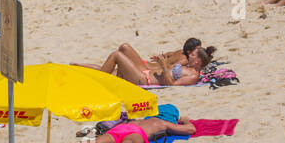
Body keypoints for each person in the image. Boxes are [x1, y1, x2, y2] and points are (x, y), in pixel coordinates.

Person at [76, 39, 217, 86]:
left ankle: (98, 81)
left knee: (116, 55)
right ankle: (88, 72)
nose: (190, 55)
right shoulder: (187, 66)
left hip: (145, 79)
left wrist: (163, 66)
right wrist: (164, 62)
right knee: (124, 47)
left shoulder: (193, 76)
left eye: (192, 55)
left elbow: (171, 85)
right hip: (147, 70)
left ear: (198, 61)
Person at [58, 107, 197, 143]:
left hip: (121, 128)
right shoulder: (162, 123)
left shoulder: (142, 118)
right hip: (136, 131)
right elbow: (190, 130)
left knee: (96, 142)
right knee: (131, 141)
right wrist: (185, 121)